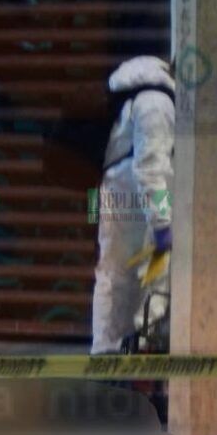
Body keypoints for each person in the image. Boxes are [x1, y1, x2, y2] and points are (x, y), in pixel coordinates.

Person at [91, 56, 175, 355]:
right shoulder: (156, 102)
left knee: (114, 277)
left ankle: (106, 355)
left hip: (119, 197)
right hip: (142, 206)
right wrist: (163, 223)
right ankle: (135, 357)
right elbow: (151, 169)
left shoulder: (133, 94)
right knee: (152, 281)